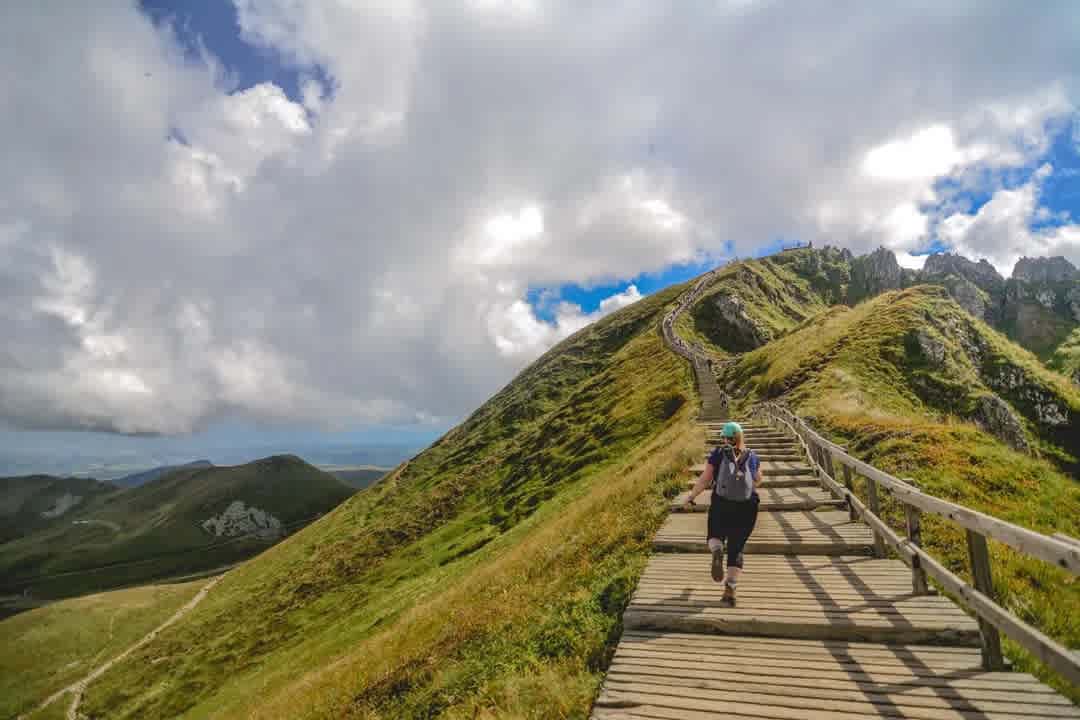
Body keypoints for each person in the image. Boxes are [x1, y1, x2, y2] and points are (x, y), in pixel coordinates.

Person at [683, 421, 762, 607]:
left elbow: (705, 479)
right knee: (737, 547)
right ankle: (730, 590)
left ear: (724, 438)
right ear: (740, 437)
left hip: (722, 503)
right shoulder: (752, 455)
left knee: (715, 534)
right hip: (747, 506)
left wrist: (691, 496)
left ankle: (717, 550)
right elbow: (758, 479)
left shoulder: (718, 454)